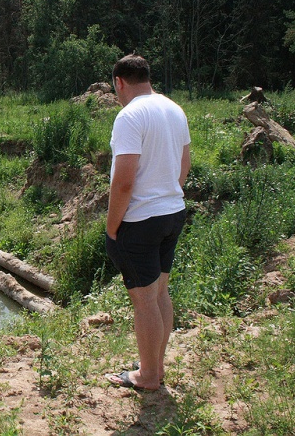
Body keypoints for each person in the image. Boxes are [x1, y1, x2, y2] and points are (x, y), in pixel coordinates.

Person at [104, 54, 191, 391]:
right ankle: (156, 367)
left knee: (143, 302)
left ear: (120, 82)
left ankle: (148, 376)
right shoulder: (174, 109)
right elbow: (184, 164)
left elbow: (123, 181)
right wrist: (168, 194)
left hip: (141, 221)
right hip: (173, 212)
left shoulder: (129, 116)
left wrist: (112, 229)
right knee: (159, 293)